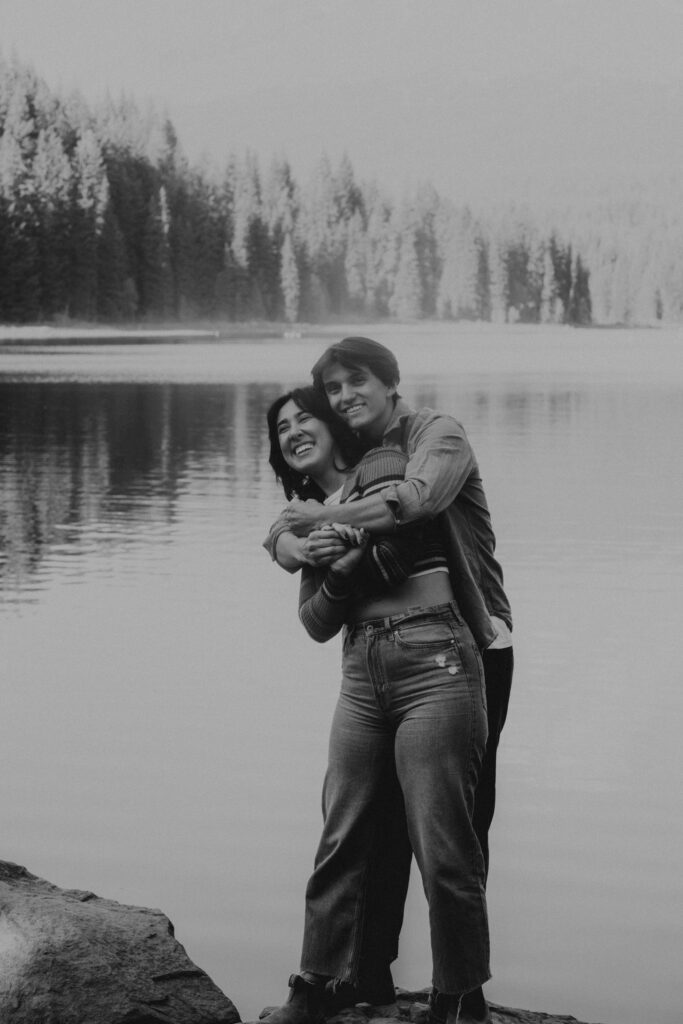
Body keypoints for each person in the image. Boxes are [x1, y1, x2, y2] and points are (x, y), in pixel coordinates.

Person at [267, 338, 513, 1024]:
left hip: (454, 646)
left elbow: (414, 502)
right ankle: (324, 983)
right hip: (361, 666)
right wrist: (300, 545)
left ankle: (459, 997)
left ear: (387, 382)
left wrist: (313, 524)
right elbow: (315, 616)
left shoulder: (432, 437)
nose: (346, 397)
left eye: (356, 383)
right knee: (344, 832)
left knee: (447, 837)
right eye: (334, 388)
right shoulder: (334, 492)